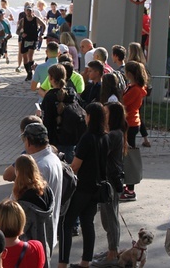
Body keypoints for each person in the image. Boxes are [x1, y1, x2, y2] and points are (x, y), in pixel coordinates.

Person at [59, 102, 108, 268]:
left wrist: (65, 168)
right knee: (88, 223)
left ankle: (62, 263)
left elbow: (76, 165)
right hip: (97, 187)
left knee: (67, 223)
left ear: (90, 117)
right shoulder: (105, 137)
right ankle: (85, 262)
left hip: (82, 188)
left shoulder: (87, 138)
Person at [94, 101, 127, 265]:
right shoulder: (114, 133)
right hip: (109, 179)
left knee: (110, 217)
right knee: (108, 217)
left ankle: (113, 253)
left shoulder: (114, 135)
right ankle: (111, 249)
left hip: (110, 181)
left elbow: (99, 151)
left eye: (105, 114)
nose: (103, 117)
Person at [13, 155, 54, 266]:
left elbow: (22, 229)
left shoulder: (24, 200)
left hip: (30, 249)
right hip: (46, 242)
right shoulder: (47, 190)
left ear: (18, 172)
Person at [121, 61, 147, 201]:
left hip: (130, 124)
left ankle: (130, 189)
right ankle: (128, 186)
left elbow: (123, 102)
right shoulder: (133, 87)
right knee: (126, 154)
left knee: (129, 157)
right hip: (130, 123)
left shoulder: (135, 89)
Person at [18, 5, 41, 81]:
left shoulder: (36, 19)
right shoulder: (23, 20)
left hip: (33, 40)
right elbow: (17, 31)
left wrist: (41, 34)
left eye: (30, 11)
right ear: (25, 11)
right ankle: (29, 73)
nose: (28, 12)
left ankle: (31, 71)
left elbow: (43, 25)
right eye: (27, 11)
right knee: (25, 57)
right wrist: (21, 34)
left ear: (32, 12)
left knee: (30, 56)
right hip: (25, 40)